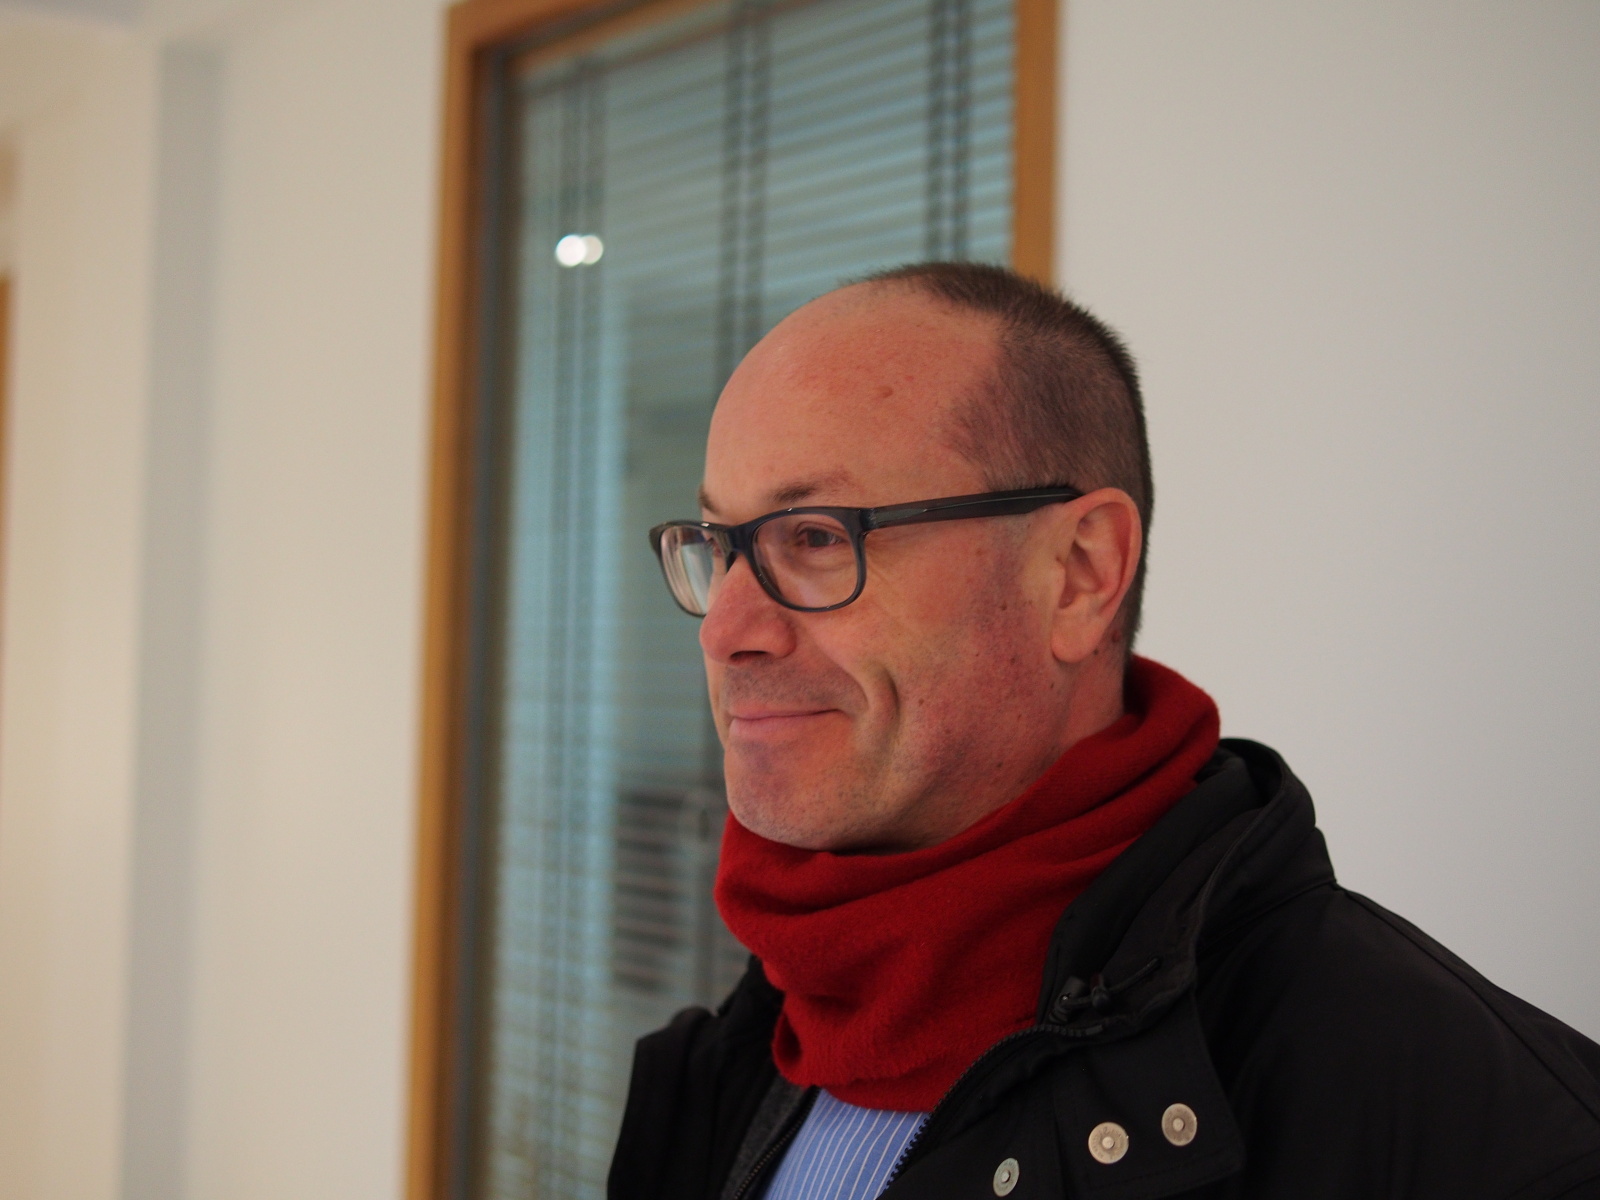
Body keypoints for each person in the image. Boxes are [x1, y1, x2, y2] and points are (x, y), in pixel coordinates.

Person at [609, 263, 1600, 1200]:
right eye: (717, 546)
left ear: (1080, 574)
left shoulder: (1482, 1137)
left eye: (817, 536)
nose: (726, 631)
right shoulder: (743, 1046)